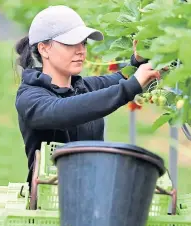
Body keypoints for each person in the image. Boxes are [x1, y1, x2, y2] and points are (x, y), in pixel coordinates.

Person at [14, 5, 162, 186]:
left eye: (83, 43)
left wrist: (137, 61)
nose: (81, 50)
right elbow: (61, 111)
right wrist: (130, 86)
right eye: (70, 43)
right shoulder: (30, 97)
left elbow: (121, 78)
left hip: (93, 193)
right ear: (44, 49)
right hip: (51, 200)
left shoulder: (82, 87)